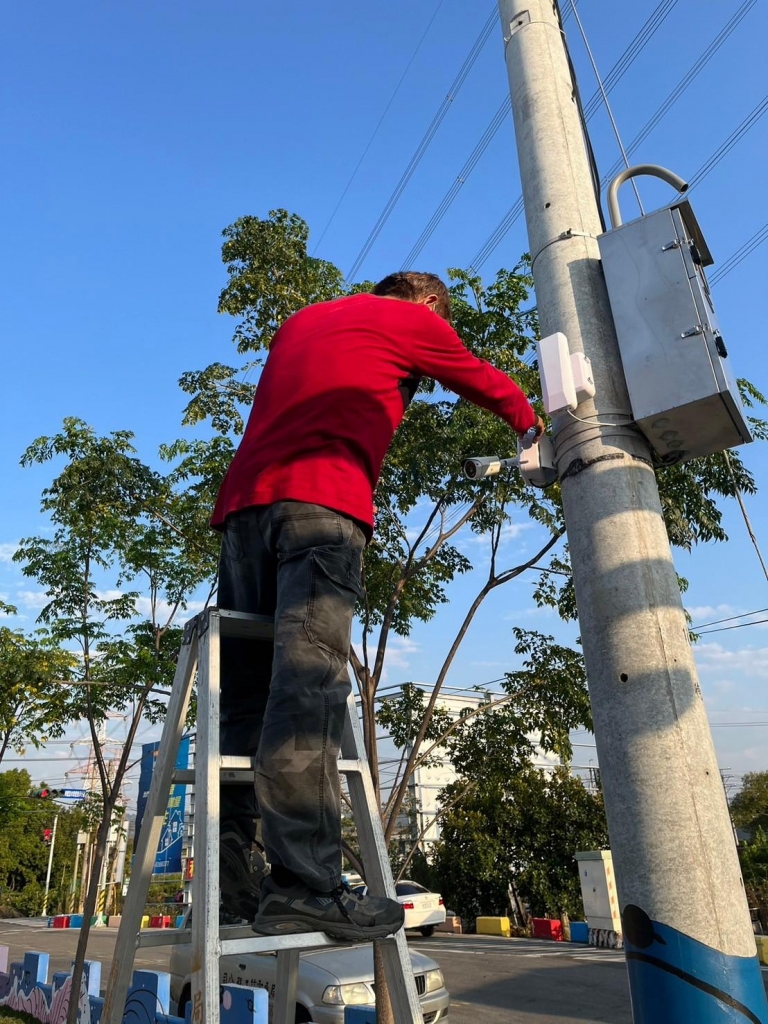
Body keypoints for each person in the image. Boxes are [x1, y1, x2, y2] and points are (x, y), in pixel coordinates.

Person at [210, 271, 543, 941]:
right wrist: (536, 428)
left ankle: (229, 893)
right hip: (321, 509)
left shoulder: (303, 321)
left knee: (242, 709)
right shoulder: (414, 320)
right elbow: (483, 379)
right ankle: (305, 885)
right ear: (425, 303)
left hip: (245, 513)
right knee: (306, 690)